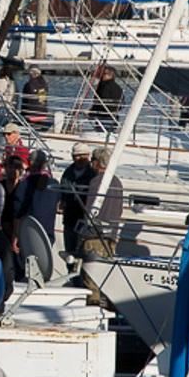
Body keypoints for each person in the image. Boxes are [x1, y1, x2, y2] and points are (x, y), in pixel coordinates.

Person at [80, 147, 124, 305]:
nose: (91, 163)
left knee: (91, 278)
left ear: (97, 163)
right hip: (111, 236)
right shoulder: (117, 181)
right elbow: (119, 210)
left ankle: (92, 307)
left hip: (95, 235)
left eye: (93, 160)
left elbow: (90, 209)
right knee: (106, 276)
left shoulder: (97, 181)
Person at [12, 150, 61, 246]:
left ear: (29, 163)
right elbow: (59, 205)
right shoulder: (54, 184)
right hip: (47, 233)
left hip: (28, 232)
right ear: (44, 164)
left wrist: (15, 234)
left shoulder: (24, 184)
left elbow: (18, 212)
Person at [59, 143, 96, 259]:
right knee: (70, 253)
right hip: (70, 218)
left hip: (84, 219)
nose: (80, 159)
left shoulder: (93, 173)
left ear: (88, 156)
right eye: (77, 156)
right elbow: (62, 190)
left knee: (83, 253)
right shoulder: (68, 173)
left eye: (83, 156)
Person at [89, 65, 123, 131]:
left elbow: (102, 101)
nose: (101, 76)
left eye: (103, 74)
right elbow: (121, 103)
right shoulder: (118, 87)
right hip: (114, 116)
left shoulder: (104, 86)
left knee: (102, 133)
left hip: (104, 117)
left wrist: (91, 112)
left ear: (109, 75)